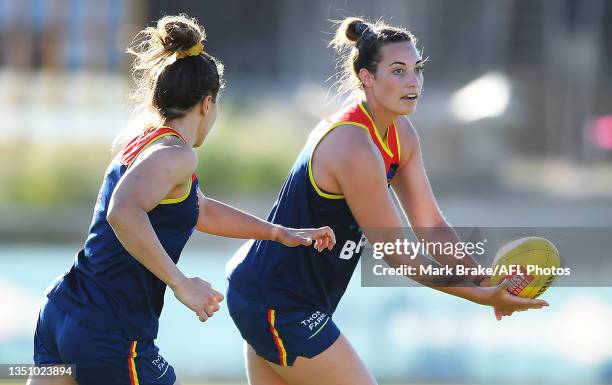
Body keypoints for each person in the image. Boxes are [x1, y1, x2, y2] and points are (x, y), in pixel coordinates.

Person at [226, 17, 549, 385]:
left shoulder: (400, 134)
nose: (412, 81)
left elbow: (431, 226)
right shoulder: (354, 145)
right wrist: (480, 297)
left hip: (272, 295)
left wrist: (481, 279)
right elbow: (395, 250)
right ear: (367, 78)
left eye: (416, 70)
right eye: (398, 71)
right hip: (278, 303)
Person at [30, 14, 335, 385]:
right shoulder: (176, 154)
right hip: (108, 332)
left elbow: (200, 209)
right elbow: (122, 212)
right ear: (207, 103)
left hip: (63, 311)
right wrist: (180, 283)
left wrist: (276, 232)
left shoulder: (148, 143)